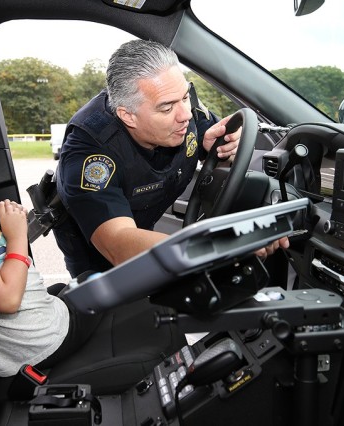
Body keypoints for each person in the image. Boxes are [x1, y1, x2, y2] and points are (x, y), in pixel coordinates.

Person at [0, 120, 182, 379]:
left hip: (36, 326)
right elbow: (8, 299)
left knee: (92, 278)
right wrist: (16, 236)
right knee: (141, 302)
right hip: (41, 344)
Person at [53, 39, 289, 278]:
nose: (186, 115)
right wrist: (220, 245)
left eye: (185, 97)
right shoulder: (90, 150)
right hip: (97, 246)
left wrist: (219, 148)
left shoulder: (179, 103)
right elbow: (119, 243)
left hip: (146, 223)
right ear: (128, 116)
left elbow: (219, 144)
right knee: (106, 300)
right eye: (166, 109)